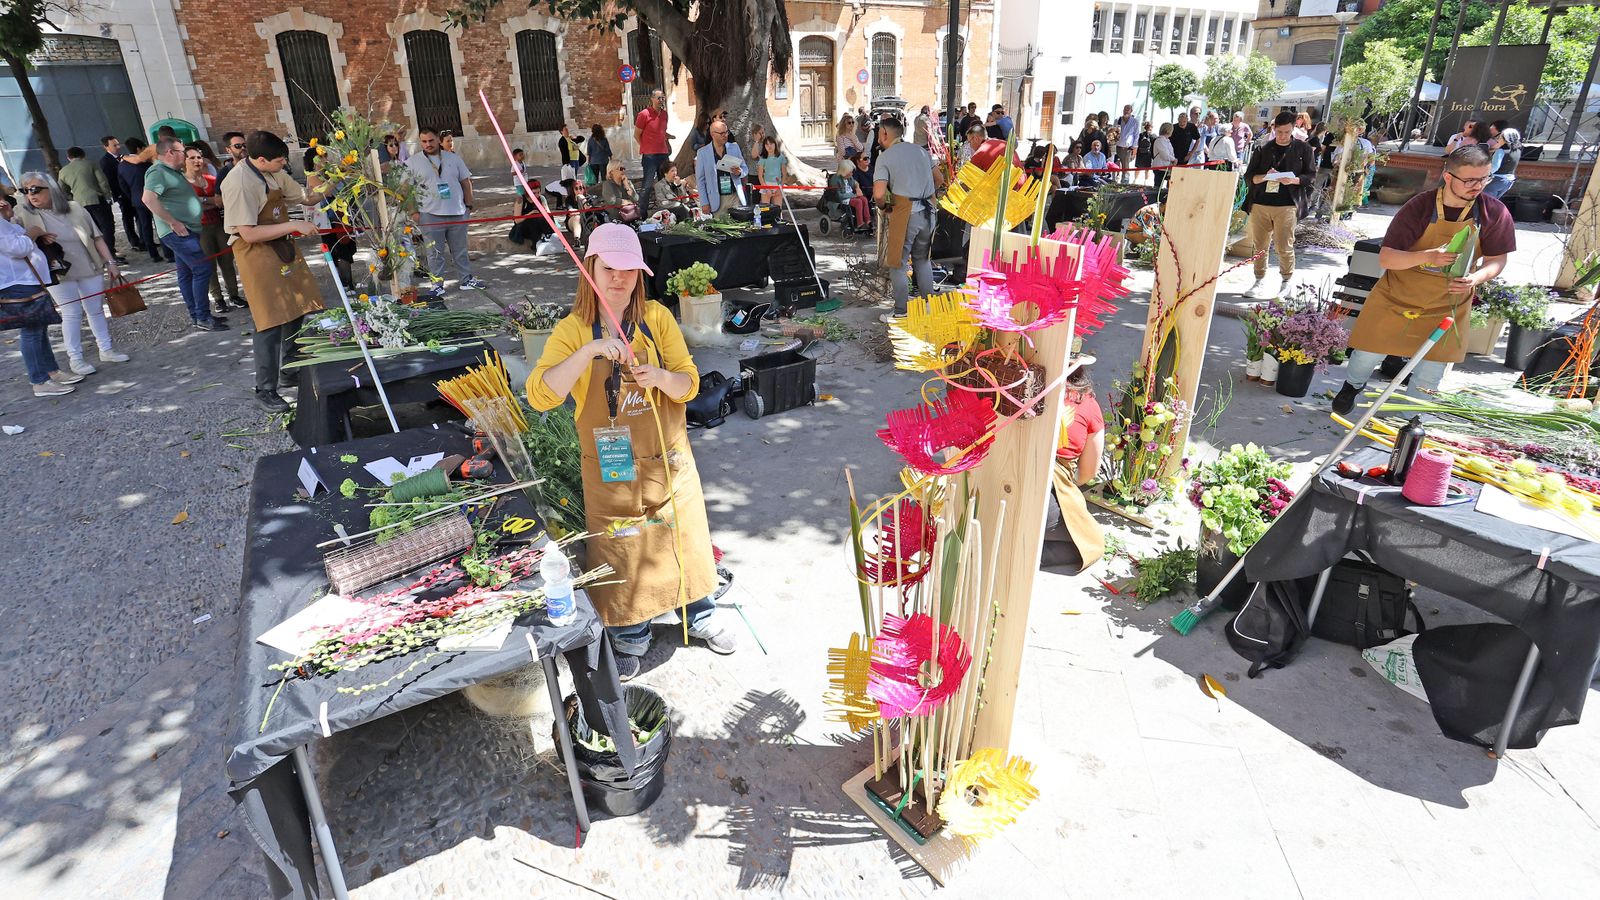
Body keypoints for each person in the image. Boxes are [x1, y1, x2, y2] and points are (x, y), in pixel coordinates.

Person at [525, 224, 737, 678]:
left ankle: (699, 614)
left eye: (629, 270)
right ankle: (630, 634)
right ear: (591, 270)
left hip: (670, 461)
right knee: (623, 548)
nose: (619, 278)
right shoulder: (572, 330)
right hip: (612, 468)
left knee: (684, 539)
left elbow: (689, 384)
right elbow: (541, 394)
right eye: (609, 268)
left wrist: (660, 378)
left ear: (640, 274)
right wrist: (591, 352)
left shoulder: (657, 319)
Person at [1333, 145, 1514, 410]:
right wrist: (1427, 256)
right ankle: (1353, 386)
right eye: (1470, 180)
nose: (1478, 186)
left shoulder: (1493, 212)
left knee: (1432, 369)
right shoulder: (1420, 207)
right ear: (1449, 176)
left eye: (1484, 179)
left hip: (1447, 302)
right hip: (1398, 296)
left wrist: (1476, 278)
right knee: (1367, 354)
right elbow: (1387, 259)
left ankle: (1413, 419)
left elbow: (1497, 259)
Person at [221, 130, 325, 411]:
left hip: (280, 247)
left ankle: (290, 368)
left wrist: (328, 175)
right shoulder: (239, 183)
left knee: (295, 307)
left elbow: (307, 197)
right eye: (280, 161)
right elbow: (249, 233)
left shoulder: (275, 173)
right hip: (255, 253)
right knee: (268, 321)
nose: (284, 164)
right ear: (262, 160)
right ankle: (265, 389)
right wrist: (294, 225)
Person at [14, 171, 128, 374]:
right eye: (25, 190)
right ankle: (75, 359)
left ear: (52, 189)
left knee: (96, 309)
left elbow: (97, 237)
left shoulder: (75, 208)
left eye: (35, 189)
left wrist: (111, 263)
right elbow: (15, 242)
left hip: (88, 266)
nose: (31, 194)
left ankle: (106, 349)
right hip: (56, 272)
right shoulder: (24, 214)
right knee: (71, 313)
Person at [1, 194, 83, 397]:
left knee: (39, 328)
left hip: (26, 280)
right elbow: (17, 248)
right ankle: (39, 380)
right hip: (18, 282)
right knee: (32, 331)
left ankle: (50, 371)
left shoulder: (4, 222)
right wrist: (34, 232)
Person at [144, 136, 223, 330]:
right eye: (182, 152)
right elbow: (148, 199)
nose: (185, 156)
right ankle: (203, 317)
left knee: (186, 273)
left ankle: (198, 315)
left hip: (188, 229)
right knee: (202, 269)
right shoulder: (157, 171)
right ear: (170, 152)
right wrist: (173, 222)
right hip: (179, 232)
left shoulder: (172, 171)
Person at [1242, 111, 1316, 299]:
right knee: (1260, 246)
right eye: (1279, 132)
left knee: (1284, 246)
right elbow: (1249, 177)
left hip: (1288, 204)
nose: (1283, 136)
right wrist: (1266, 177)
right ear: (1274, 129)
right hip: (1261, 203)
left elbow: (1310, 176)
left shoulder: (1303, 149)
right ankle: (1259, 280)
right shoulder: (1263, 149)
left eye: (1287, 132)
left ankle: (1286, 282)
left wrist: (1294, 181)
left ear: (1293, 129)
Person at [1040, 364, 1106, 573]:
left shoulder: (1012, 388)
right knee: (1089, 546)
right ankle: (1028, 552)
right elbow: (1087, 473)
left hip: (994, 488)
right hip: (1045, 505)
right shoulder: (1087, 403)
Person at [873, 117, 937, 321]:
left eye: (878, 135)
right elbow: (940, 179)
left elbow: (879, 194)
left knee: (897, 264)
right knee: (923, 260)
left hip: (904, 212)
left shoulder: (885, 157)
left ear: (884, 133)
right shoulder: (921, 150)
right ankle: (929, 305)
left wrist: (884, 207)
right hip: (929, 211)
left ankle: (901, 311)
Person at [406, 126, 483, 294]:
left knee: (461, 249)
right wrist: (414, 212)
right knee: (434, 253)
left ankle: (466, 280)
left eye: (431, 141)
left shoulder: (453, 158)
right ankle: (437, 285)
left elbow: (465, 182)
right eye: (424, 141)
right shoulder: (412, 162)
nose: (428, 144)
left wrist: (468, 205)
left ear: (438, 140)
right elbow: (406, 189)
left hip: (457, 212)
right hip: (430, 215)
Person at [186, 145, 244, 315]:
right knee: (209, 263)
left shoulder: (212, 179)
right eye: (192, 158)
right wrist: (208, 200)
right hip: (200, 227)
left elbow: (221, 201)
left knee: (227, 260)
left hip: (220, 224)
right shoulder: (183, 183)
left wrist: (204, 200)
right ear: (184, 161)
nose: (197, 161)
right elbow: (191, 205)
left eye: (199, 157)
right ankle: (218, 299)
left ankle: (234, 295)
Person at [303, 145, 358, 290]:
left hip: (342, 216)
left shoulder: (330, 172)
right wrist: (337, 176)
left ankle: (348, 282)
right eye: (322, 156)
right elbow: (325, 192)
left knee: (346, 248)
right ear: (314, 160)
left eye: (325, 156)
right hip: (326, 219)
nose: (325, 159)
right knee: (335, 251)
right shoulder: (312, 175)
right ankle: (343, 283)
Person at [58, 146, 123, 265]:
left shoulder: (63, 171)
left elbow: (63, 190)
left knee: (90, 230)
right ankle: (110, 254)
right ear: (83, 155)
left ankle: (97, 256)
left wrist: (72, 199)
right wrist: (107, 195)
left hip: (79, 204)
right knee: (106, 227)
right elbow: (102, 181)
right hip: (97, 199)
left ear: (68, 158)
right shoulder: (91, 164)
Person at [118, 137, 164, 263]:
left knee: (145, 226)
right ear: (139, 149)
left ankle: (153, 254)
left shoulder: (122, 166)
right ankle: (168, 252)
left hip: (137, 199)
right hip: (154, 197)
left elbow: (123, 185)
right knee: (161, 223)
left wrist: (132, 196)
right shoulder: (146, 163)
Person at [100, 136, 142, 255]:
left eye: (118, 144)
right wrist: (117, 195)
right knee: (128, 217)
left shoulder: (123, 158)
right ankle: (134, 241)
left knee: (138, 215)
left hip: (132, 191)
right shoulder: (105, 161)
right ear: (106, 147)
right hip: (121, 194)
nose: (118, 147)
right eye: (114, 145)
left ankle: (143, 239)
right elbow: (109, 180)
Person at [694, 119, 745, 215]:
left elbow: (744, 168)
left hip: (735, 197)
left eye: (726, 132)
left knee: (740, 227)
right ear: (713, 134)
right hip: (717, 200)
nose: (725, 135)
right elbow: (700, 180)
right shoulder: (702, 153)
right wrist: (704, 202)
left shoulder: (734, 148)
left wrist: (740, 172)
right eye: (721, 133)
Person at [635, 88, 673, 207]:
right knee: (647, 184)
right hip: (650, 156)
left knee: (665, 183)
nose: (661, 100)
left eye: (662, 98)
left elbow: (661, 132)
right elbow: (636, 134)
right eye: (658, 98)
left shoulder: (665, 114)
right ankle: (643, 212)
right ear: (652, 99)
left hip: (663, 153)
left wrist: (668, 137)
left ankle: (667, 209)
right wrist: (646, 147)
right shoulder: (644, 114)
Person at [1485, 121, 1521, 200]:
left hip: (1495, 180)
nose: (1498, 139)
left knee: (1484, 204)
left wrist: (1483, 175)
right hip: (1509, 181)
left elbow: (1494, 167)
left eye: (1500, 137)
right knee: (1494, 203)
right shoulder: (1517, 150)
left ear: (1504, 139)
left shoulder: (1501, 151)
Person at [757, 135, 786, 205]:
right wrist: (766, 188)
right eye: (767, 144)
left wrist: (780, 188)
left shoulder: (780, 157)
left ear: (775, 144)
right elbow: (760, 176)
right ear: (764, 146)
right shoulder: (763, 158)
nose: (769, 146)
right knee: (765, 210)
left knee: (778, 210)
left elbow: (784, 174)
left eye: (771, 143)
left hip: (778, 185)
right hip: (766, 185)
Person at [1113, 105, 1139, 181]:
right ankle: (1114, 181)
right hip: (1117, 147)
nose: (1126, 111)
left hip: (1127, 148)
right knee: (1115, 165)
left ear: (1131, 111)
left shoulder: (1134, 121)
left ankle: (1125, 182)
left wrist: (1134, 148)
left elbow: (1136, 135)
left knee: (1125, 167)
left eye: (1128, 109)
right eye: (1125, 109)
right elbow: (1113, 133)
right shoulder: (1118, 120)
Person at [1151, 123, 1177, 196]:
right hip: (1160, 167)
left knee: (1168, 187)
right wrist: (1173, 159)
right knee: (1157, 187)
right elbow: (1164, 154)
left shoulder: (1167, 141)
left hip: (1167, 168)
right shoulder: (1159, 140)